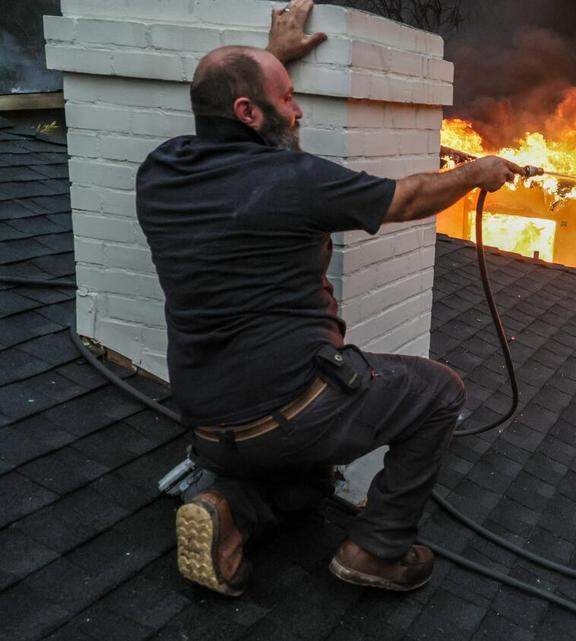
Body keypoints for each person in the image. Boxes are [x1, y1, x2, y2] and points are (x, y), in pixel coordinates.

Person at [135, 0, 539, 597]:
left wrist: (271, 61)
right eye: (286, 98)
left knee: (311, 487)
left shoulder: (160, 170)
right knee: (438, 391)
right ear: (248, 111)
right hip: (290, 410)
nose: (297, 109)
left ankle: (227, 508)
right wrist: (474, 174)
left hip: (208, 421)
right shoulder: (294, 182)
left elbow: (236, 115)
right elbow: (405, 198)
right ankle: (376, 551)